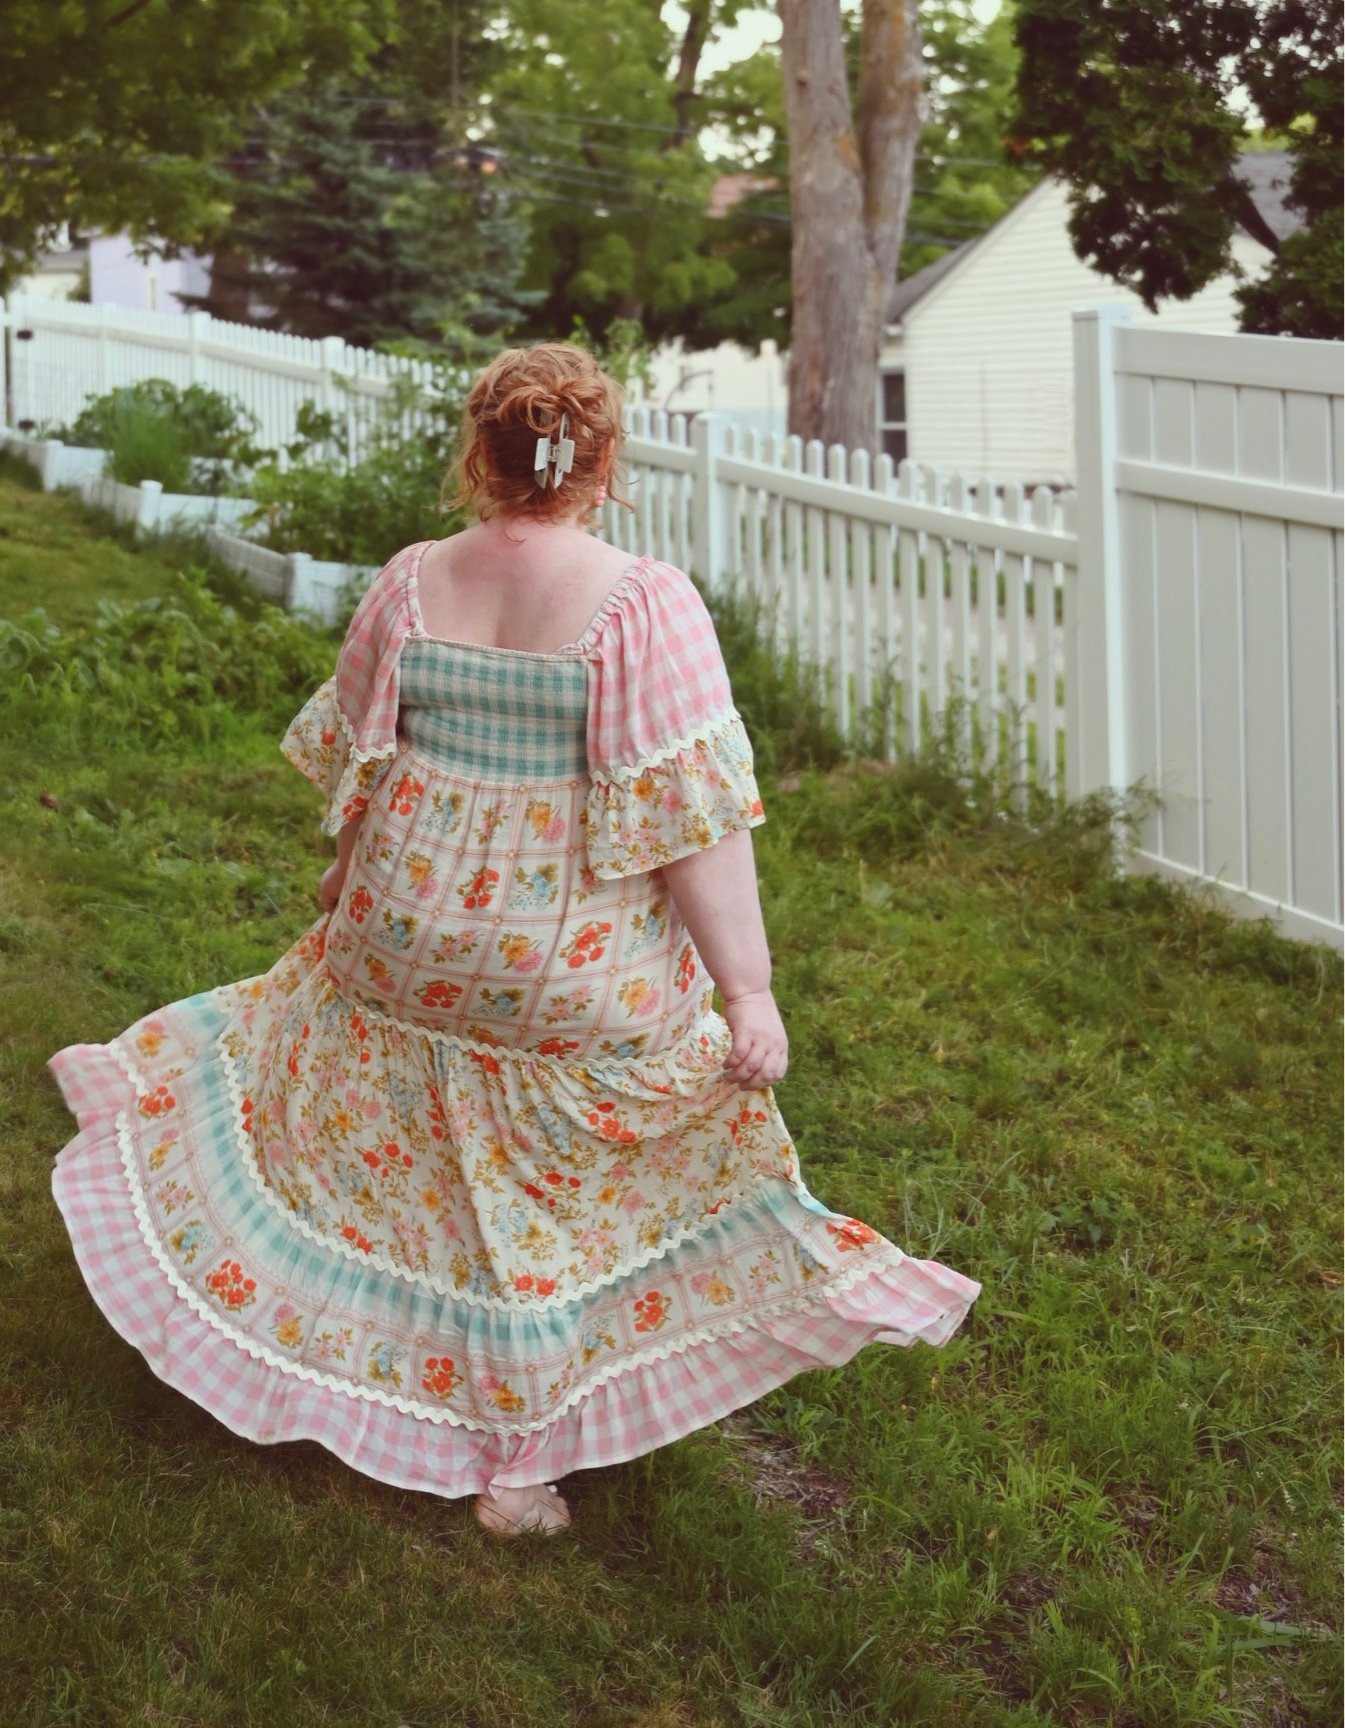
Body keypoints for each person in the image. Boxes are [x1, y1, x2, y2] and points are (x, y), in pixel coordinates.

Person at [49, 343, 978, 1536]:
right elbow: (695, 824)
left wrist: (345, 884)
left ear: (478, 453)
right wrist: (746, 992)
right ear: (603, 461)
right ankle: (518, 1457)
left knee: (367, 1113)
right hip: (560, 971)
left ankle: (330, 1342)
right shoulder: (644, 603)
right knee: (543, 1192)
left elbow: (361, 759)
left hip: (405, 941)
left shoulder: (409, 579)